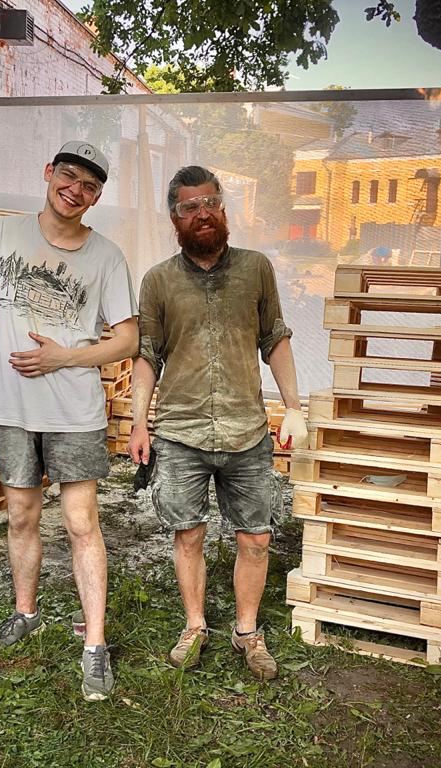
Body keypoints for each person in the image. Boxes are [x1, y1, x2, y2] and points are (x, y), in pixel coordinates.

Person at [0, 141, 138, 701]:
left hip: (74, 409)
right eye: (68, 176)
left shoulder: (106, 257)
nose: (75, 190)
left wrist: (65, 356)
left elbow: (128, 338)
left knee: (81, 523)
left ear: (97, 197)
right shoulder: (1, 237)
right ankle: (24, 613)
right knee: (20, 515)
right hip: (10, 407)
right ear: (48, 174)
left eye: (89, 186)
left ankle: (95, 646)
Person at [128, 165, 309, 681]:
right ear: (174, 218)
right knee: (189, 535)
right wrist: (139, 423)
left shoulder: (256, 269)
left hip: (246, 431)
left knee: (255, 537)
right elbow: (147, 356)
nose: (202, 213)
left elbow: (275, 338)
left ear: (223, 209)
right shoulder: (158, 280)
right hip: (181, 433)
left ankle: (248, 632)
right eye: (190, 207)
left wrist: (293, 406)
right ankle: (194, 626)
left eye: (211, 202)